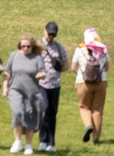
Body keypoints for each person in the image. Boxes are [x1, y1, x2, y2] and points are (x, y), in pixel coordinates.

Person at [3, 34, 47, 155]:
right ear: (19, 46)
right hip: (15, 89)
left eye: (28, 46)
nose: (25, 48)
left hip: (32, 92)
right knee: (17, 112)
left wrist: (42, 75)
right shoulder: (14, 55)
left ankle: (28, 145)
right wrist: (5, 86)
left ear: (32, 46)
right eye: (23, 46)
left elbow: (43, 72)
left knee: (31, 117)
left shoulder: (37, 58)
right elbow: (7, 71)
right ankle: (17, 141)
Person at [71, 29, 110, 145]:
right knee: (98, 110)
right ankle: (96, 138)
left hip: (83, 82)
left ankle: (88, 125)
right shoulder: (103, 49)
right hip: (101, 81)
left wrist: (81, 73)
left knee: (84, 107)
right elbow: (107, 67)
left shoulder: (79, 49)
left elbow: (73, 67)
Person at [38, 22, 69, 153]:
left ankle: (51, 142)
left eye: (53, 34)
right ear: (44, 30)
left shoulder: (59, 47)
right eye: (49, 33)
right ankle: (42, 141)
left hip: (55, 85)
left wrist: (58, 70)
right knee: (44, 110)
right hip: (41, 84)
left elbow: (66, 64)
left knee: (52, 114)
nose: (50, 36)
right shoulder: (37, 45)